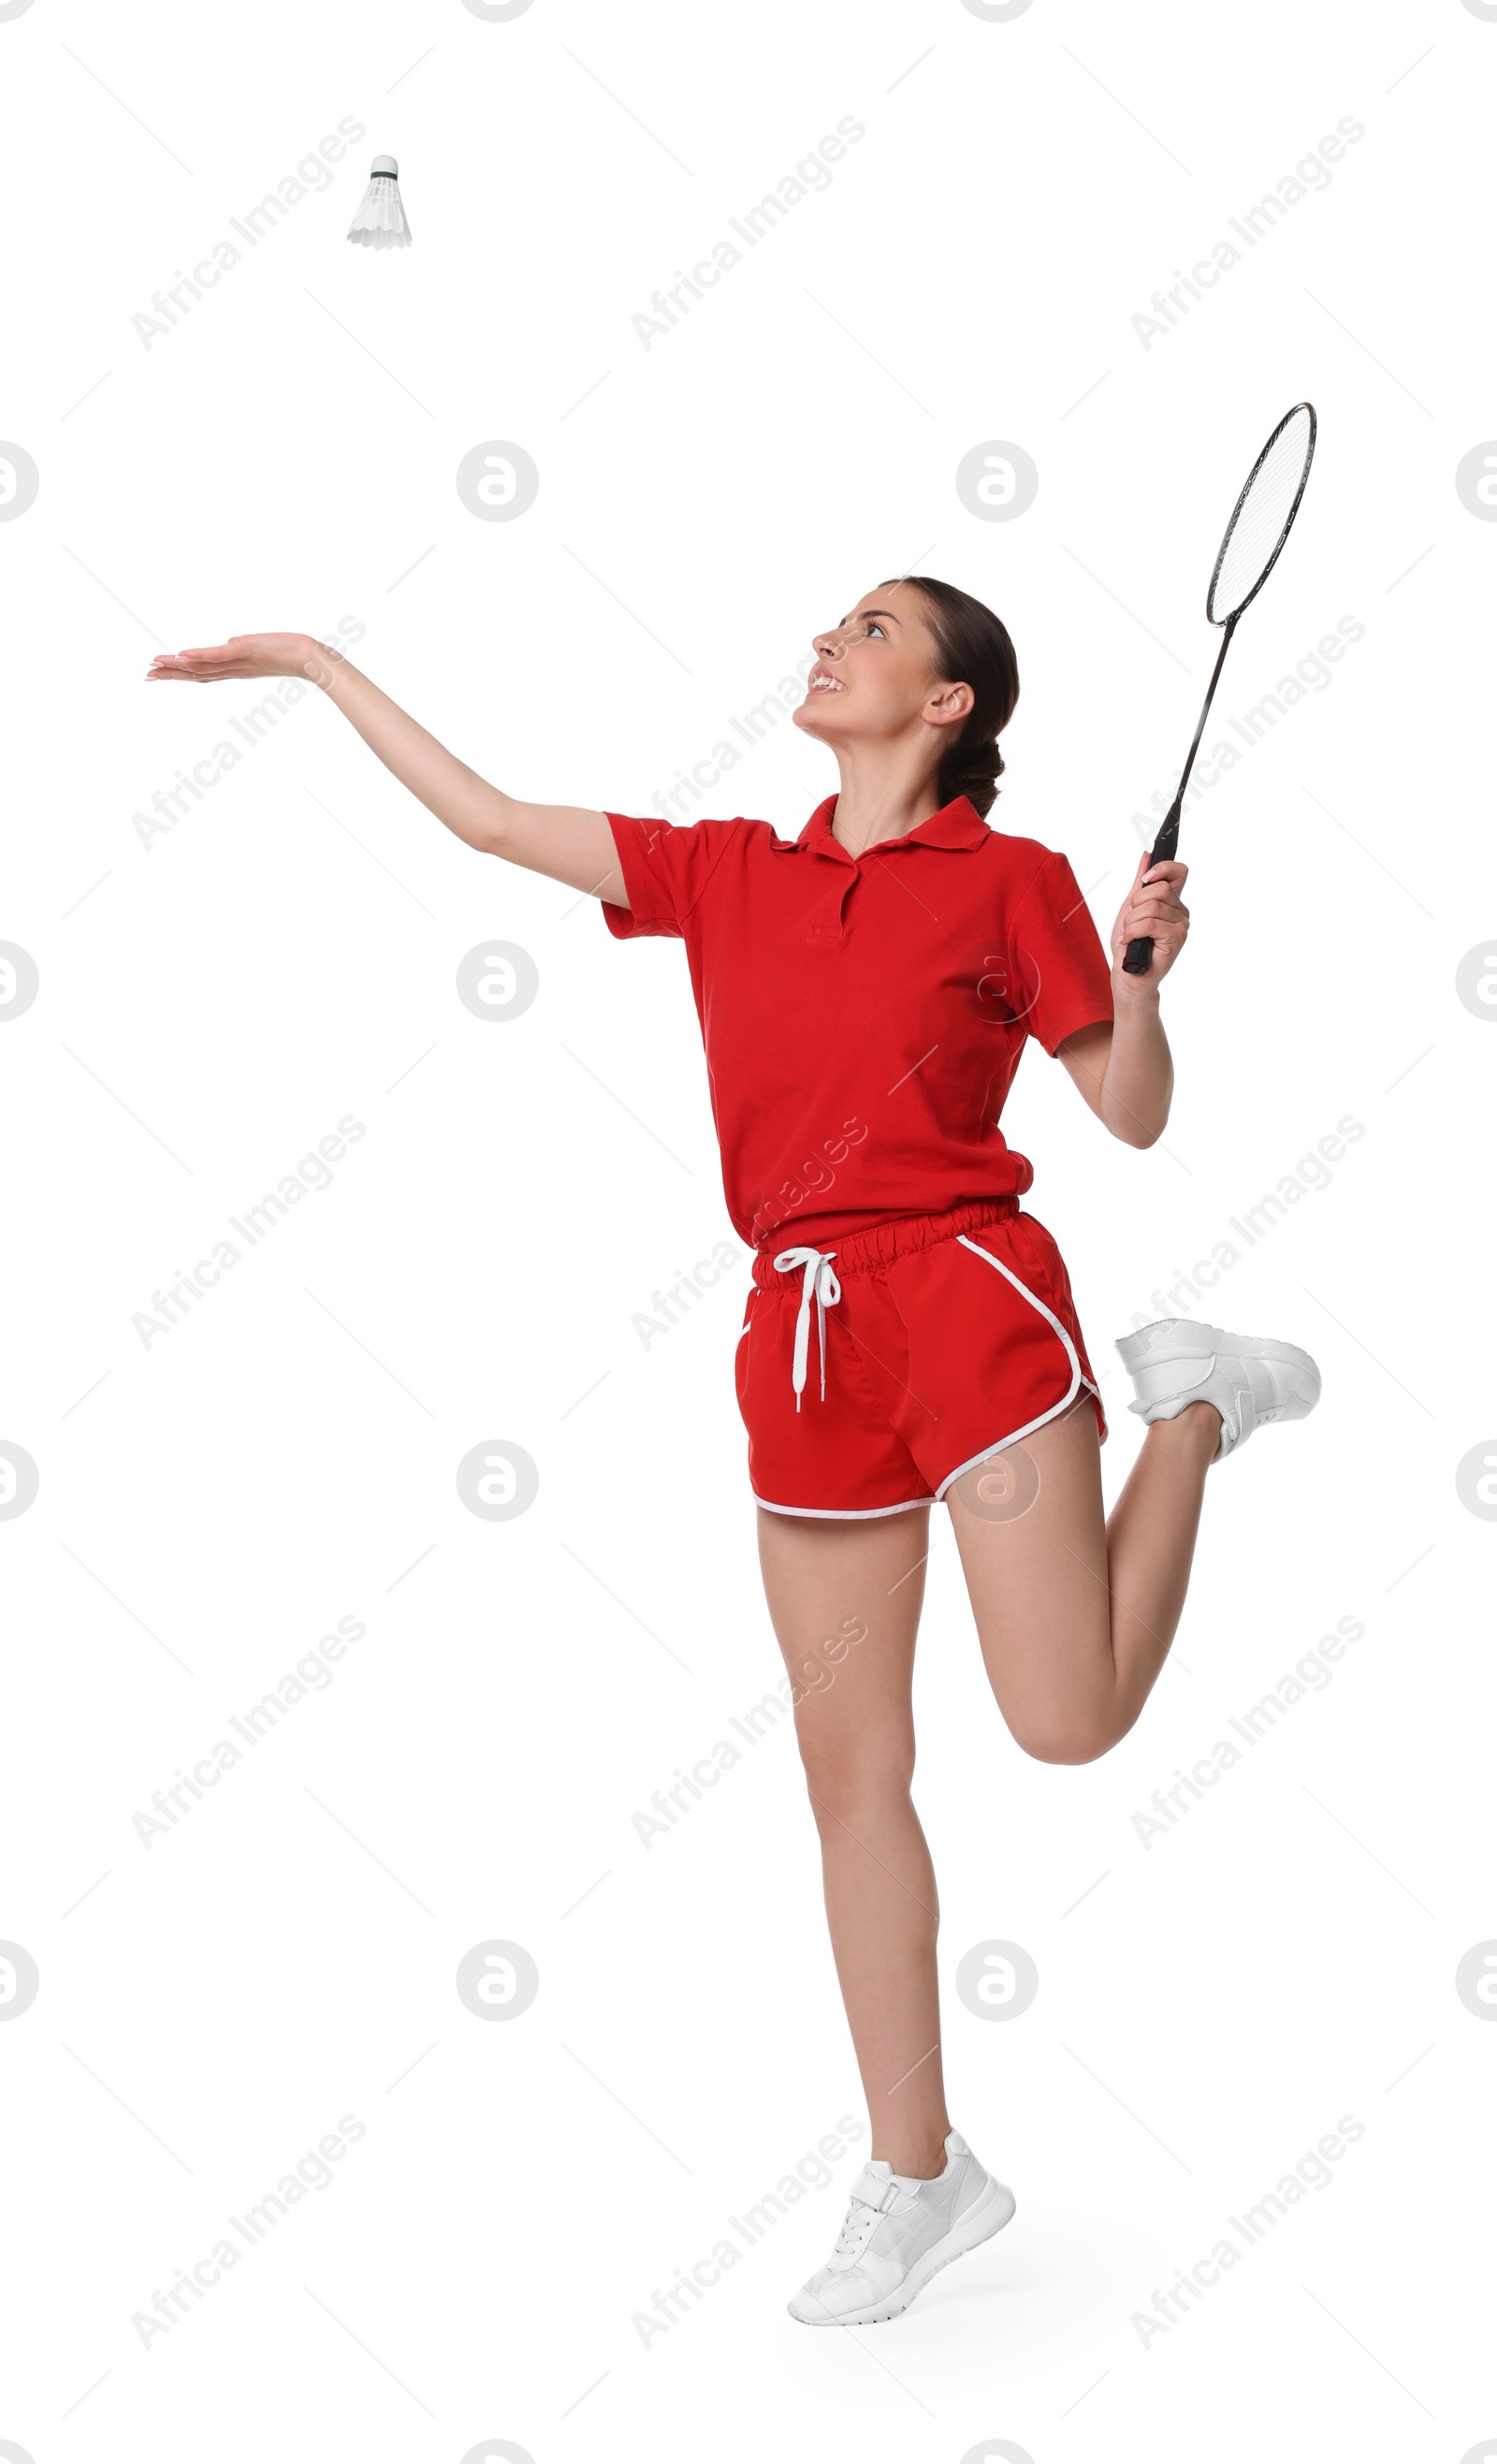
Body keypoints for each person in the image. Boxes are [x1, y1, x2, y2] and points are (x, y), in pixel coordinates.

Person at [147, 574, 1320, 2327]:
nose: (830, 640)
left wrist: (1143, 991)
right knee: (852, 1780)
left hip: (973, 1302)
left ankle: (1201, 1405)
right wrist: (318, 665)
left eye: (875, 628)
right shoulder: (728, 870)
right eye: (836, 619)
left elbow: (1127, 1114)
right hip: (806, 1336)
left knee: (1066, 1719)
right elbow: (484, 821)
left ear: (948, 706)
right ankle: (919, 2175)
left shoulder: (1014, 881)